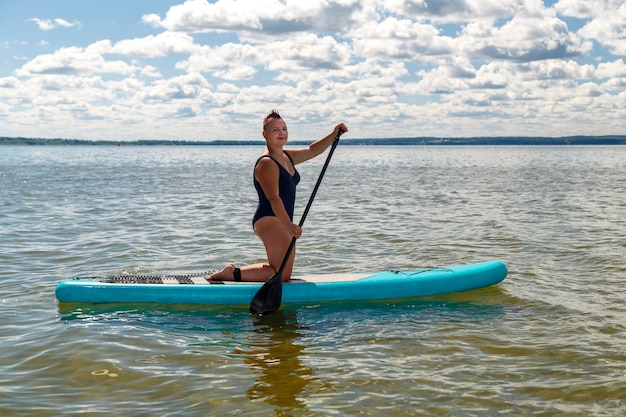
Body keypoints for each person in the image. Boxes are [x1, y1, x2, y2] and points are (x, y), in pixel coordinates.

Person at [208, 110, 347, 282]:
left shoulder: (286, 156)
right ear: (264, 134)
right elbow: (273, 197)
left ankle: (234, 271)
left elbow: (312, 150)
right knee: (281, 274)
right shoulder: (267, 163)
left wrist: (333, 135)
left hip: (282, 220)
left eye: (284, 128)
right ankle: (232, 273)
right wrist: (288, 225)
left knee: (282, 272)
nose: (281, 133)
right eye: (275, 130)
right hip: (270, 219)